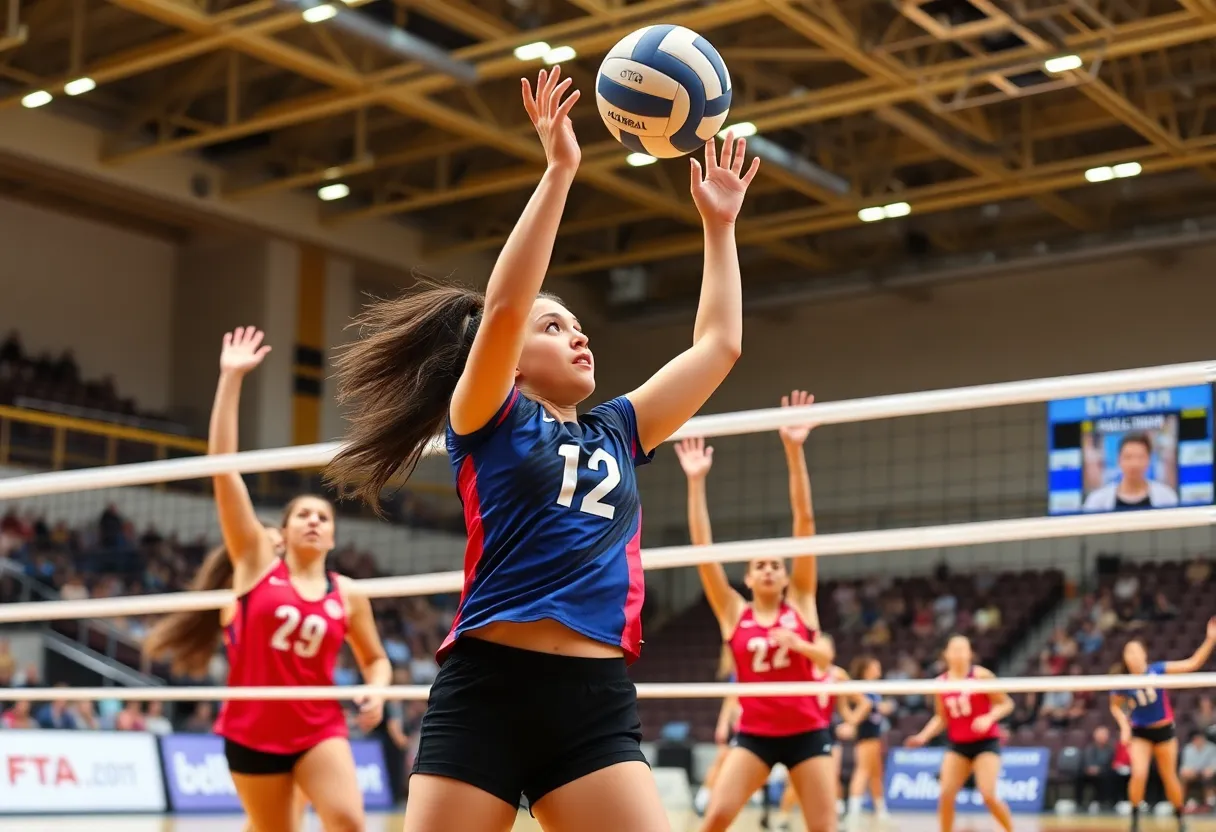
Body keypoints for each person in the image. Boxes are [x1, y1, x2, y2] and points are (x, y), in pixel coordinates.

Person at [322, 66, 758, 832]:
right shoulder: (486, 415)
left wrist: (718, 228)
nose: (578, 334)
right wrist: (560, 169)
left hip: (591, 703)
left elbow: (719, 345)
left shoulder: (618, 429)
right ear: (512, 360)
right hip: (487, 691)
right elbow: (504, 307)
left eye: (577, 326)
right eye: (553, 327)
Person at [145, 327, 391, 832]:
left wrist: (378, 691)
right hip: (251, 728)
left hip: (317, 726)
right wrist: (231, 379)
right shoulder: (257, 561)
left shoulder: (348, 593)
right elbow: (224, 470)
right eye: (302, 514)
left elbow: (376, 659)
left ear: (332, 538)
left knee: (348, 820)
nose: (314, 521)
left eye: (323, 518)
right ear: (282, 531)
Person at [674, 391, 837, 832]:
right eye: (759, 565)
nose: (768, 569)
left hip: (808, 732)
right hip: (756, 736)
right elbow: (704, 553)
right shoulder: (733, 612)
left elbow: (804, 522)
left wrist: (793, 448)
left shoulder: (802, 601)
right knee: (716, 819)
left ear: (785, 577)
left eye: (775, 565)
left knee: (825, 828)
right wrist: (695, 482)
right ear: (747, 578)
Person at [1110, 619, 1216, 832]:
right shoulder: (1122, 681)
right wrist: (1124, 726)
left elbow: (1191, 664)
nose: (1133, 656)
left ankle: (1179, 817)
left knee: (1170, 778)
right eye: (1128, 652)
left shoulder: (1156, 670)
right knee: (1138, 774)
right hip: (1140, 732)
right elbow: (1115, 706)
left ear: (1145, 654)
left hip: (1164, 731)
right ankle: (1134, 819)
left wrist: (1211, 640)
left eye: (1136, 651)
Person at [906, 634, 1014, 832]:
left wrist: (989, 717)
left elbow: (1006, 703)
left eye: (962, 649)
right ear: (945, 654)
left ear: (970, 654)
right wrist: (923, 736)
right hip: (958, 745)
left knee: (988, 794)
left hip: (986, 743)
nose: (958, 654)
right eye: (953, 649)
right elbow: (941, 717)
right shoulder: (941, 682)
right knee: (946, 794)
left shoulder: (981, 675)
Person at [842, 654, 890, 824]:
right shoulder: (861, 688)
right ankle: (853, 812)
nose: (878, 669)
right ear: (866, 670)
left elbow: (874, 708)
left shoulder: (874, 689)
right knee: (862, 771)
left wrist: (883, 708)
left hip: (876, 734)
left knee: (876, 773)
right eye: (875, 666)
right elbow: (861, 708)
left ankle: (881, 810)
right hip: (866, 733)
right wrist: (852, 723)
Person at [695, 647, 741, 816]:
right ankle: (704, 798)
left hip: (744, 722)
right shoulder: (737, 674)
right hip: (737, 725)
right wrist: (723, 725)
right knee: (722, 759)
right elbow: (730, 700)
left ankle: (707, 797)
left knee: (724, 760)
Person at [1083, 432, 1179, 512]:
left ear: (1149, 460)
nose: (1134, 464)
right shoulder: (1097, 501)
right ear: (1118, 460)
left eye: (1140, 457)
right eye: (1128, 457)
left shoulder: (1167, 497)